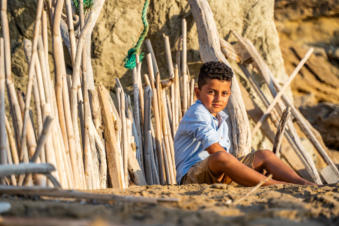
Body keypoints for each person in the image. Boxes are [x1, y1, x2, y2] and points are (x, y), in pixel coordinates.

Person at [174, 61, 316, 186]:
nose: (218, 99)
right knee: (222, 157)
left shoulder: (221, 118)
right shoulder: (197, 112)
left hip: (219, 170)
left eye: (224, 93)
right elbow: (214, 150)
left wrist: (236, 169)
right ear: (198, 93)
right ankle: (275, 184)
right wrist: (238, 168)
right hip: (192, 177)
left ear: (229, 94)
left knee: (264, 155)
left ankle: (303, 183)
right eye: (211, 92)